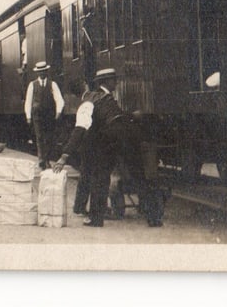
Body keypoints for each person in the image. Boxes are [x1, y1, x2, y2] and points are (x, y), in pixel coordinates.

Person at [52, 68, 164, 228]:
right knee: (138, 177)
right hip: (126, 137)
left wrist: (64, 156)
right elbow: (81, 129)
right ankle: (154, 218)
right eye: (113, 79)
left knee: (100, 178)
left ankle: (96, 219)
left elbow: (80, 130)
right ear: (104, 82)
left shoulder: (93, 100)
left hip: (111, 139)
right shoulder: (98, 99)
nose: (116, 82)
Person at [24, 61, 65, 168]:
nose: (42, 74)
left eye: (44, 71)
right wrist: (28, 116)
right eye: (40, 72)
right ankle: (42, 159)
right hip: (37, 115)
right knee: (39, 137)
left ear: (46, 72)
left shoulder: (52, 84)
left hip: (49, 115)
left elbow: (59, 99)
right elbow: (28, 101)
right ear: (37, 73)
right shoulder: (32, 85)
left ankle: (46, 159)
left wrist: (58, 112)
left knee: (49, 138)